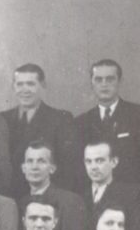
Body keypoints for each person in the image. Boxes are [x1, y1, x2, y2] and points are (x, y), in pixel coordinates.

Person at [76, 58, 140, 189]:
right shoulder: (82, 121)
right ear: (92, 83)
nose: (104, 84)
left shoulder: (139, 114)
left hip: (132, 190)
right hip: (96, 193)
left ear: (120, 81)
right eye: (98, 79)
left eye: (110, 79)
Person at [5, 63, 82, 195]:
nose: (25, 90)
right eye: (19, 84)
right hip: (10, 196)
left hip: (46, 198)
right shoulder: (2, 119)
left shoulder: (61, 119)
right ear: (13, 87)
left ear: (43, 85)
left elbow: (69, 168)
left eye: (31, 84)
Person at [19, 141, 88, 230]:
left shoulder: (70, 202)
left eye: (41, 161)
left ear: (52, 168)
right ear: (23, 168)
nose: (34, 167)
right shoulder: (21, 203)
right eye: (30, 161)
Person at [84, 140, 140, 230]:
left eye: (99, 161)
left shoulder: (132, 194)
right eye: (89, 161)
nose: (93, 167)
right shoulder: (78, 196)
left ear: (114, 162)